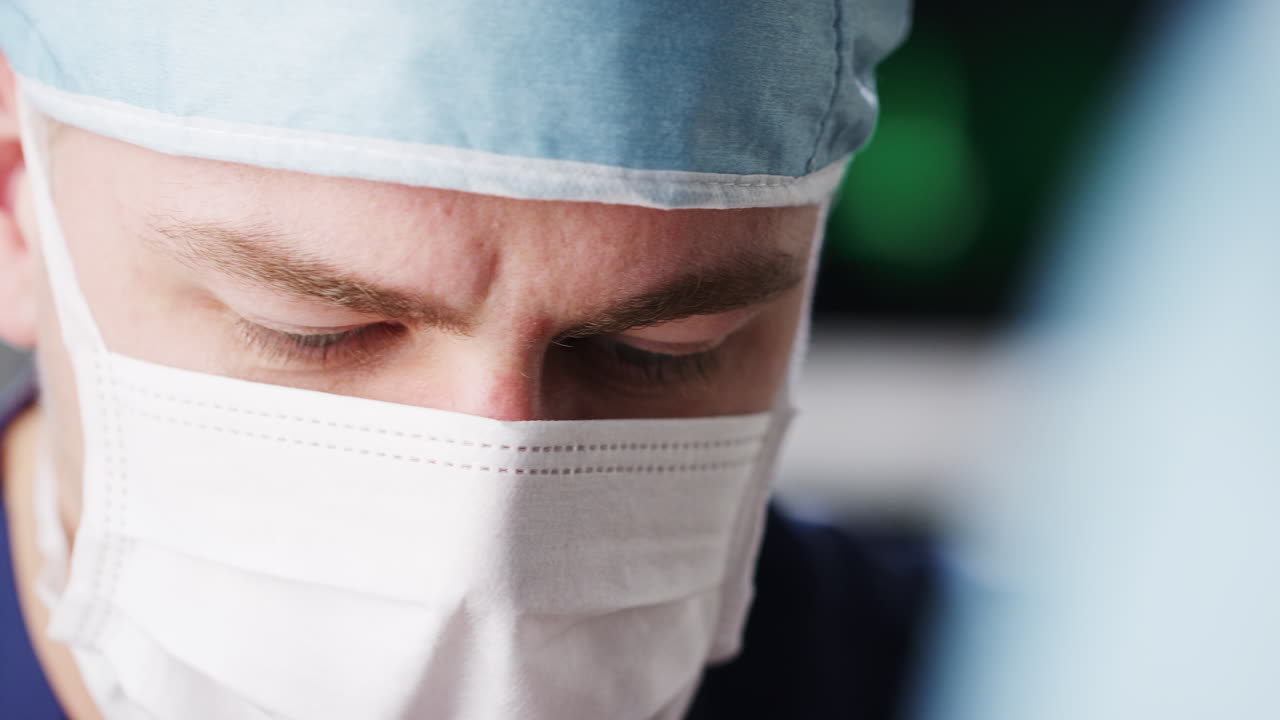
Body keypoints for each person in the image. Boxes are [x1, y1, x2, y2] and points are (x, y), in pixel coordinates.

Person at [0, 2, 934, 718]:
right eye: (314, 329)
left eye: (653, 348)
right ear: (14, 212)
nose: (485, 553)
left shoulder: (1002, 672)